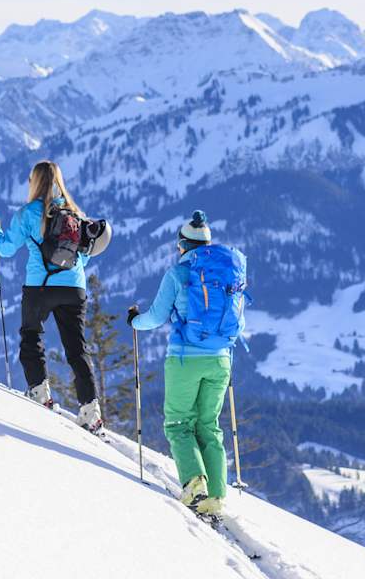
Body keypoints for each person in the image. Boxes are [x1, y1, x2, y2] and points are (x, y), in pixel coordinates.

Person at [128, 210, 246, 517]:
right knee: (209, 425)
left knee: (179, 423)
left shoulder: (178, 274)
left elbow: (154, 317)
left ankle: (195, 484)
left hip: (185, 359)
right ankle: (217, 495)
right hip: (221, 359)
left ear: (182, 244)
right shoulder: (226, 273)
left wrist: (134, 321)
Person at [0, 160, 103, 432]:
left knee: (31, 335)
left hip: (39, 286)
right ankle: (90, 410)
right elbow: (85, 253)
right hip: (74, 287)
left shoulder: (28, 213)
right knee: (77, 348)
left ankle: (39, 392)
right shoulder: (75, 214)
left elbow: (6, 248)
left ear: (35, 182)